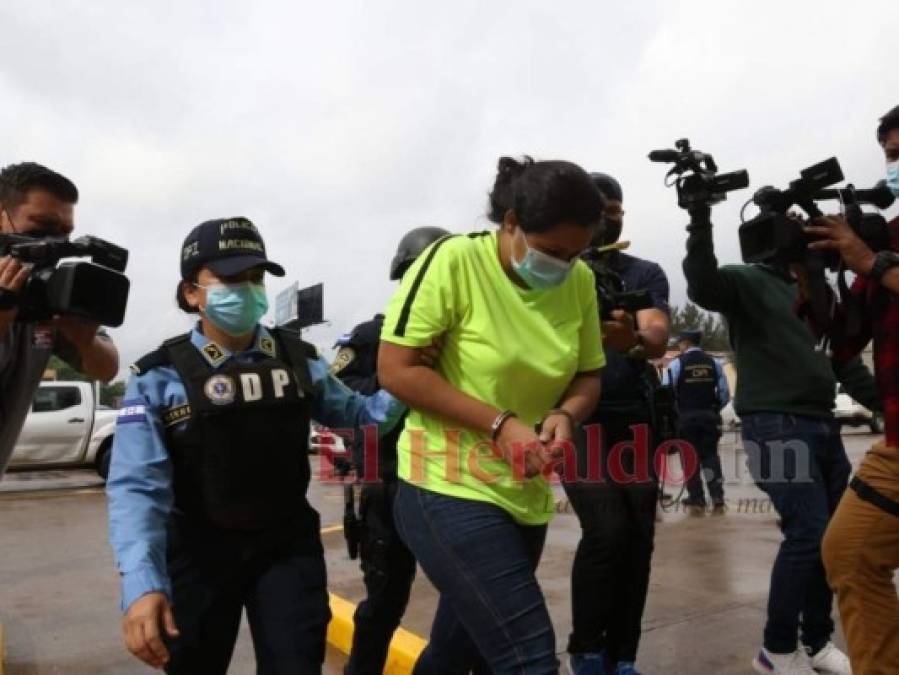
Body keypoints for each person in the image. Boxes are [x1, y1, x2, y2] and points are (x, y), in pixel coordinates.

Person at [106, 217, 406, 675]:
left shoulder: (299, 360)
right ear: (192, 292)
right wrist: (142, 585)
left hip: (285, 548)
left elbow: (362, 418)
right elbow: (136, 488)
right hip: (197, 552)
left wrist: (411, 378)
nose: (246, 291)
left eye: (255, 278)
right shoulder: (158, 376)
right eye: (230, 280)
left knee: (297, 664)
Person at [378, 156, 606, 674]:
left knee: (458, 653)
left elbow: (589, 374)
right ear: (509, 223)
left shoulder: (581, 282)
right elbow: (396, 369)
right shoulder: (452, 261)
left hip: (522, 489)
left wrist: (567, 415)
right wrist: (500, 423)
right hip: (444, 484)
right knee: (527, 655)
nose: (565, 265)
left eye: (577, 253)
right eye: (552, 251)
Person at [682, 186, 854, 674]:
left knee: (832, 540)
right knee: (808, 533)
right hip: (775, 423)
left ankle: (816, 642)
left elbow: (844, 360)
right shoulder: (747, 280)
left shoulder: (813, 293)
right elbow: (701, 286)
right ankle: (777, 651)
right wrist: (700, 218)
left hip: (825, 423)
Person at [564, 172, 671, 675]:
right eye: (600, 209)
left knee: (639, 537)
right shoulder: (555, 272)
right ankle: (586, 650)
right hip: (576, 418)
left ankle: (622, 655)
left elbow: (655, 337)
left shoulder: (643, 273)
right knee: (606, 530)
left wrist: (626, 337)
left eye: (616, 210)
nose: (610, 218)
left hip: (633, 419)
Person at [807, 104, 899, 673]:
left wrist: (871, 260)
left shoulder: (879, 248)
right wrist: (810, 275)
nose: (895, 163)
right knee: (850, 551)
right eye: (892, 154)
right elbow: (844, 339)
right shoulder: (886, 236)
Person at [333, 225, 450, 675]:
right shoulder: (369, 337)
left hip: (453, 484)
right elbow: (344, 405)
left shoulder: (465, 339)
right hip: (390, 484)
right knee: (384, 603)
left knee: (469, 600)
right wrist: (403, 376)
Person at [0, 162, 118, 476]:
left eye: (63, 235)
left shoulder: (48, 295)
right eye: (40, 228)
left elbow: (107, 369)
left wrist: (87, 341)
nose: (52, 244)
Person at [666, 329, 730, 510]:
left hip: (686, 417)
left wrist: (672, 413)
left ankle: (697, 497)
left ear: (685, 343)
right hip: (709, 416)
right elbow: (724, 393)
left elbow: (666, 390)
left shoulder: (677, 363)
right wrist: (715, 408)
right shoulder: (714, 362)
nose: (679, 345)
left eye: (680, 342)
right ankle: (717, 495)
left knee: (689, 458)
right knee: (710, 456)